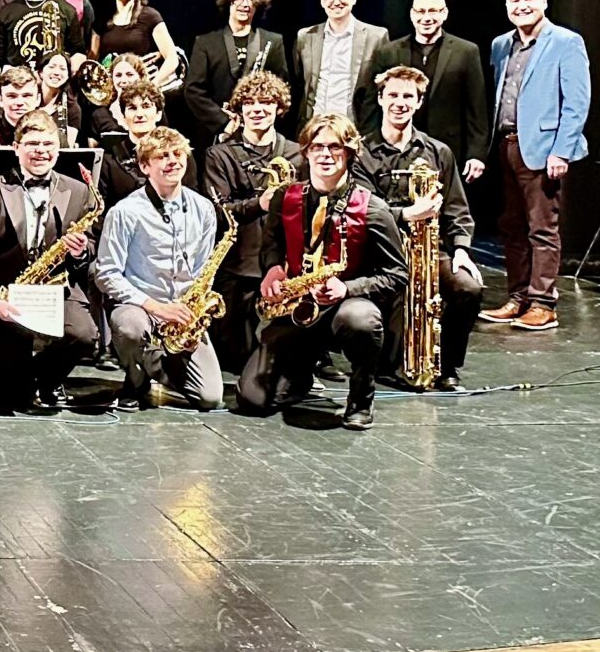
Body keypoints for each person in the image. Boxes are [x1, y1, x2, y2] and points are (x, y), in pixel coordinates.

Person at [234, 114, 408, 430]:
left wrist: (348, 289)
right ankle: (300, 374)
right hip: (298, 304)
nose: (325, 155)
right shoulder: (285, 198)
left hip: (346, 304)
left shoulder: (373, 209)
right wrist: (272, 269)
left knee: (360, 320)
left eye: (335, 147)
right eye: (317, 147)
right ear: (306, 151)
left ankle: (361, 398)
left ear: (350, 153)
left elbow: (397, 274)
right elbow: (272, 246)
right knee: (252, 400)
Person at [0, 111, 105, 413]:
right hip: (4, 292)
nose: (41, 151)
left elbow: (90, 248)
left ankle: (42, 379)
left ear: (58, 149)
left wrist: (80, 251)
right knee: (11, 397)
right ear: (16, 148)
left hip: (55, 289)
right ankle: (22, 380)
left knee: (84, 335)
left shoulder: (78, 191)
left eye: (48, 144)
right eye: (32, 144)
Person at [362, 65, 484, 389]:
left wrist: (461, 250)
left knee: (468, 288)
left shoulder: (438, 152)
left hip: (431, 249)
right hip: (382, 252)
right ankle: (393, 363)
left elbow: (457, 208)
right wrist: (408, 214)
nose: (400, 103)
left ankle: (446, 365)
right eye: (393, 95)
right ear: (380, 99)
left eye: (408, 96)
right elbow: (365, 210)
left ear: (418, 102)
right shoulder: (361, 152)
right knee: (400, 286)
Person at [483, 0, 589, 332]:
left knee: (542, 227)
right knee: (512, 227)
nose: (522, 6)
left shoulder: (566, 42)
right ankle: (518, 297)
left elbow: (576, 103)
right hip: (507, 145)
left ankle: (543, 303)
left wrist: (561, 151)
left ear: (544, 2)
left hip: (543, 150)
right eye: (515, 1)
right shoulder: (502, 45)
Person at [97, 128, 224, 411]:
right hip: (139, 306)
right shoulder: (125, 211)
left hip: (182, 310)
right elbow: (107, 274)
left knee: (210, 397)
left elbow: (203, 269)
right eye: (162, 156)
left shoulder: (204, 209)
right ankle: (136, 380)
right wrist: (156, 307)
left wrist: (192, 315)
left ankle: (153, 361)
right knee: (130, 327)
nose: (173, 161)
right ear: (145, 166)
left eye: (178, 154)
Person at [198, 70, 304, 369]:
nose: (258, 109)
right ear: (239, 110)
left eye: (266, 102)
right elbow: (217, 213)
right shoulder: (219, 155)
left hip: (286, 266)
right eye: (250, 103)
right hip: (238, 265)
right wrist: (261, 203)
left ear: (279, 107)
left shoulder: (297, 155)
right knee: (236, 358)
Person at [377, 0, 489, 176]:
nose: (426, 18)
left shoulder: (466, 52)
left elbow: (477, 107)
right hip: (397, 147)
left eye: (433, 11)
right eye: (421, 11)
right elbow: (374, 103)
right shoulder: (389, 52)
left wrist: (477, 154)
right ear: (412, 14)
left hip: (449, 150)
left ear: (444, 13)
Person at [181, 0, 290, 145]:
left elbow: (281, 88)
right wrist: (223, 121)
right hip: (216, 133)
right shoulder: (206, 43)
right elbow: (193, 90)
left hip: (259, 131)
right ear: (229, 2)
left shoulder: (272, 41)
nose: (245, 4)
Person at [292, 0, 388, 132]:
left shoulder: (376, 37)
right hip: (313, 128)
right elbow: (299, 83)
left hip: (356, 129)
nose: (336, 2)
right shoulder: (305, 36)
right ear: (322, 1)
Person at [89, 0, 183, 91]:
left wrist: (151, 86)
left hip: (139, 92)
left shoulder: (150, 16)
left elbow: (172, 59)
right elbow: (92, 61)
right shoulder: (102, 20)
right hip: (111, 92)